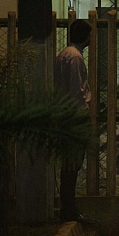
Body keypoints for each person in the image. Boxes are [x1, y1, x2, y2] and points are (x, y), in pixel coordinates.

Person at [53, 19, 93, 223]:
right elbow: (77, 90)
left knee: (68, 164)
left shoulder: (63, 55)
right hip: (75, 116)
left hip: (63, 113)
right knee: (73, 164)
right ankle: (69, 209)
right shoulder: (76, 57)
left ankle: (67, 207)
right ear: (86, 37)